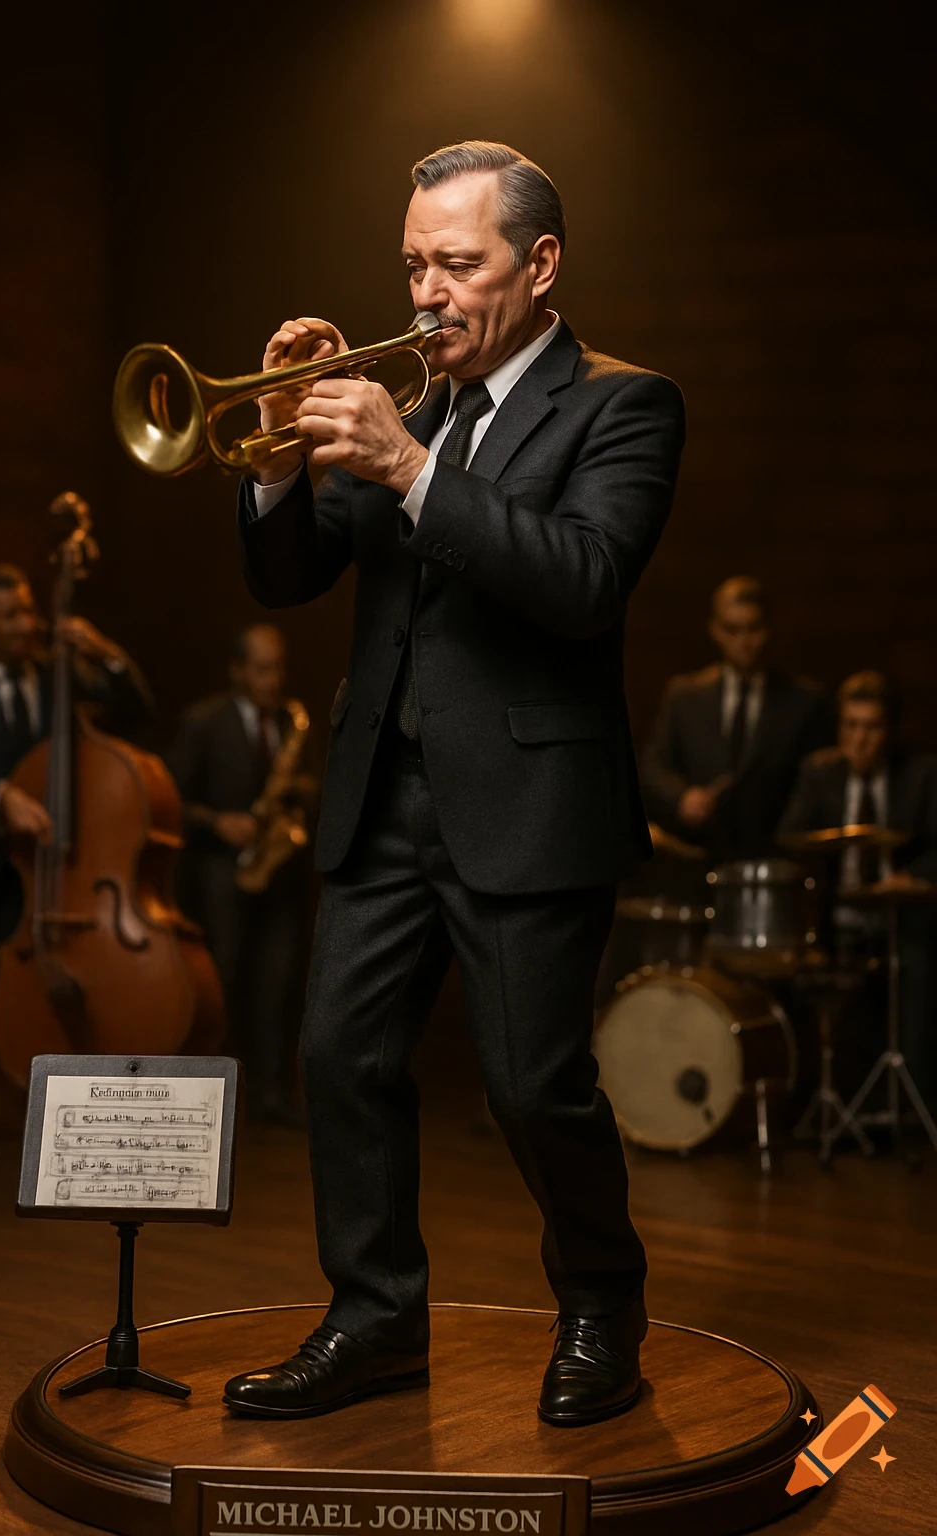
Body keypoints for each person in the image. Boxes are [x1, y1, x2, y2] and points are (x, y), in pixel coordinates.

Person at [220, 140, 686, 1428]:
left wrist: (413, 471)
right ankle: (372, 1322)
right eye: (413, 263)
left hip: (531, 805)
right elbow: (289, 577)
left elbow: (584, 583)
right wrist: (272, 463)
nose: (425, 293)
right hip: (383, 795)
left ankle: (601, 1307)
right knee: (339, 1059)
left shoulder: (623, 404)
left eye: (457, 264)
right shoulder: (413, 405)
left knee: (535, 1086)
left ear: (538, 266)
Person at [0, 563, 152, 1152]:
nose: (26, 624)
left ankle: (58, 1122)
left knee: (65, 988)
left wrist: (108, 654)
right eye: (10, 615)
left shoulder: (57, 679)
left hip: (58, 873)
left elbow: (136, 714)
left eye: (28, 610)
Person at [167, 623, 316, 1127]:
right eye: (261, 669)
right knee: (223, 986)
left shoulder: (291, 724)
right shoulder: (202, 722)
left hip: (280, 876)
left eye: (278, 668)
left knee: (278, 990)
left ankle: (272, 1095)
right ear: (237, 670)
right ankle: (212, 1103)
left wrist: (299, 794)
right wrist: (218, 822)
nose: (273, 680)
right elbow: (170, 804)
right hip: (219, 877)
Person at [779, 671, 937, 1114]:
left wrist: (912, 877)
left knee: (919, 967)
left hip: (901, 918)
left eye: (872, 727)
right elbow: (790, 837)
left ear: (891, 729)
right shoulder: (819, 772)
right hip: (836, 919)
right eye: (851, 726)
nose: (860, 739)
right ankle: (814, 1104)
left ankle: (913, 1107)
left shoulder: (921, 774)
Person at [642, 576, 830, 860]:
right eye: (732, 630)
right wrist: (682, 797)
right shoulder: (684, 696)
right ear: (715, 630)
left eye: (752, 629)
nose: (743, 641)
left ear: (768, 629)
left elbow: (819, 782)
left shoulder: (804, 701)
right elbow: (654, 764)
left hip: (775, 858)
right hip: (699, 855)